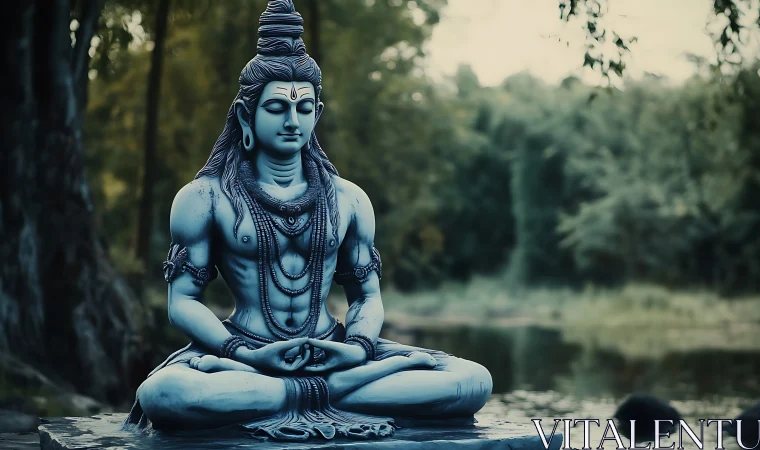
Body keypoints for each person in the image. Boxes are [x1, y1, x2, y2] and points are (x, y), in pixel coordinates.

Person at [124, 0, 492, 441]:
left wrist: (354, 349)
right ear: (246, 114)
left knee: (472, 381)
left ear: (317, 113)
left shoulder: (349, 199)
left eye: (303, 108)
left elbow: (367, 297)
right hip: (243, 357)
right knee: (166, 393)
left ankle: (303, 390)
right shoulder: (204, 198)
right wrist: (243, 353)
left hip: (332, 352)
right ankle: (329, 393)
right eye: (277, 108)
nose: (292, 121)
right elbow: (181, 302)